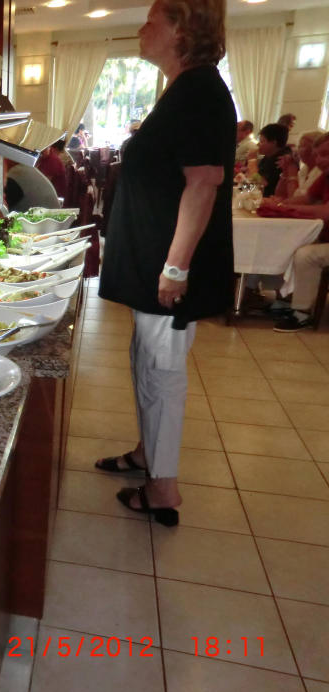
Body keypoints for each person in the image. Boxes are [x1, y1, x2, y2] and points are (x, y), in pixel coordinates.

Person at [95, 0, 234, 525]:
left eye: (152, 20)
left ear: (180, 28)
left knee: (163, 369)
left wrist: (175, 268)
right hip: (152, 259)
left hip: (166, 264)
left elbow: (203, 185)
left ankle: (163, 488)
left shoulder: (200, 91)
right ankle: (147, 454)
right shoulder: (184, 88)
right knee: (146, 358)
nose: (142, 28)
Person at [256, 132, 329, 331]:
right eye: (318, 155)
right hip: (323, 235)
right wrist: (280, 204)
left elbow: (325, 212)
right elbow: (306, 199)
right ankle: (283, 300)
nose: (320, 160)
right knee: (287, 242)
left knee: (307, 255)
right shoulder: (325, 176)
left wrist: (284, 207)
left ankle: (302, 313)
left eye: (325, 154)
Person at [274, 130, 323, 199]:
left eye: (302, 146)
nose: (297, 150)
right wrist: (285, 172)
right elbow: (279, 195)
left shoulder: (321, 172)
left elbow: (295, 199)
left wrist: (292, 172)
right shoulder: (304, 170)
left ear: (315, 149)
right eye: (299, 146)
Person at [256, 123, 290, 197]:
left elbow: (263, 184)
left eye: (262, 141)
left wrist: (251, 162)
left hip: (269, 198)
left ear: (273, 143)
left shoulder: (282, 159)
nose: (258, 144)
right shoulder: (269, 156)